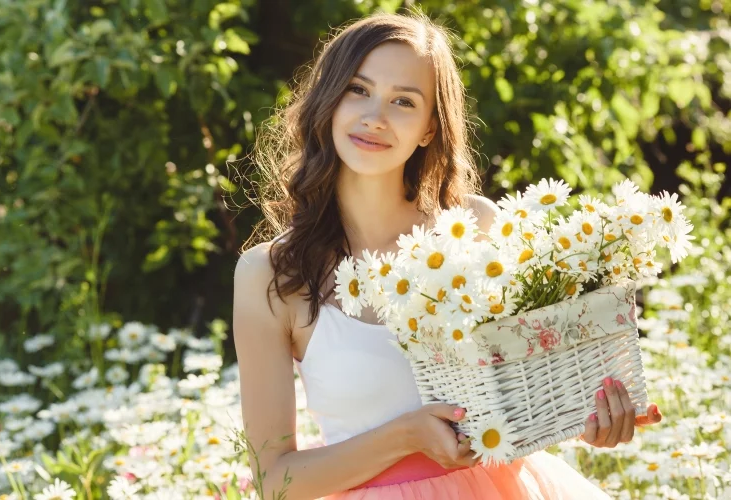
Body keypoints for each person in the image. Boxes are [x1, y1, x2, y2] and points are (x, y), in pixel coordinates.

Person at [232, 11, 663, 500]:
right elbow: (274, 482)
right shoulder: (270, 275)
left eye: (403, 101)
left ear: (429, 129)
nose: (375, 116)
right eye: (358, 89)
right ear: (327, 101)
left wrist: (585, 417)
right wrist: (406, 436)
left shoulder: (475, 228)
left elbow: (527, 392)